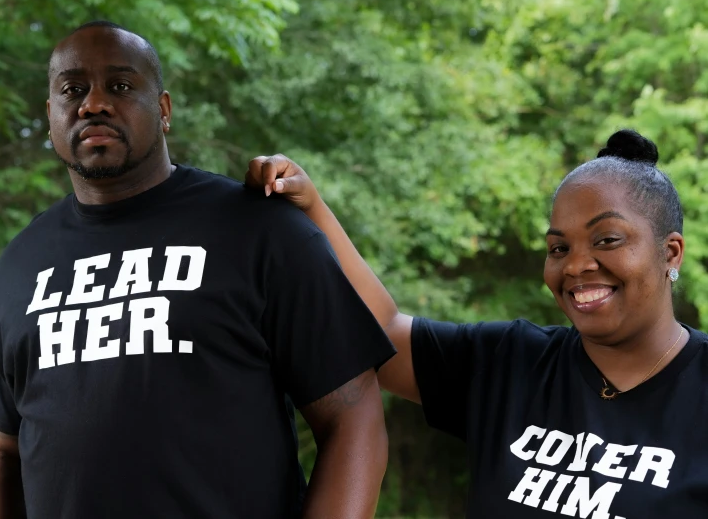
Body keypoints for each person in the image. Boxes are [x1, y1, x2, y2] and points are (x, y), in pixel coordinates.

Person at [0, 21, 396, 519]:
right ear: (51, 116)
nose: (94, 104)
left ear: (164, 109)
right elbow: (2, 447)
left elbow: (353, 414)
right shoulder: (21, 262)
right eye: (73, 90)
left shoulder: (257, 229)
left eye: (122, 86)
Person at [245, 129, 708, 518]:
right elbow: (383, 335)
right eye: (558, 248)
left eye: (607, 240)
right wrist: (312, 209)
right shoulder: (510, 362)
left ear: (670, 253)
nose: (576, 266)